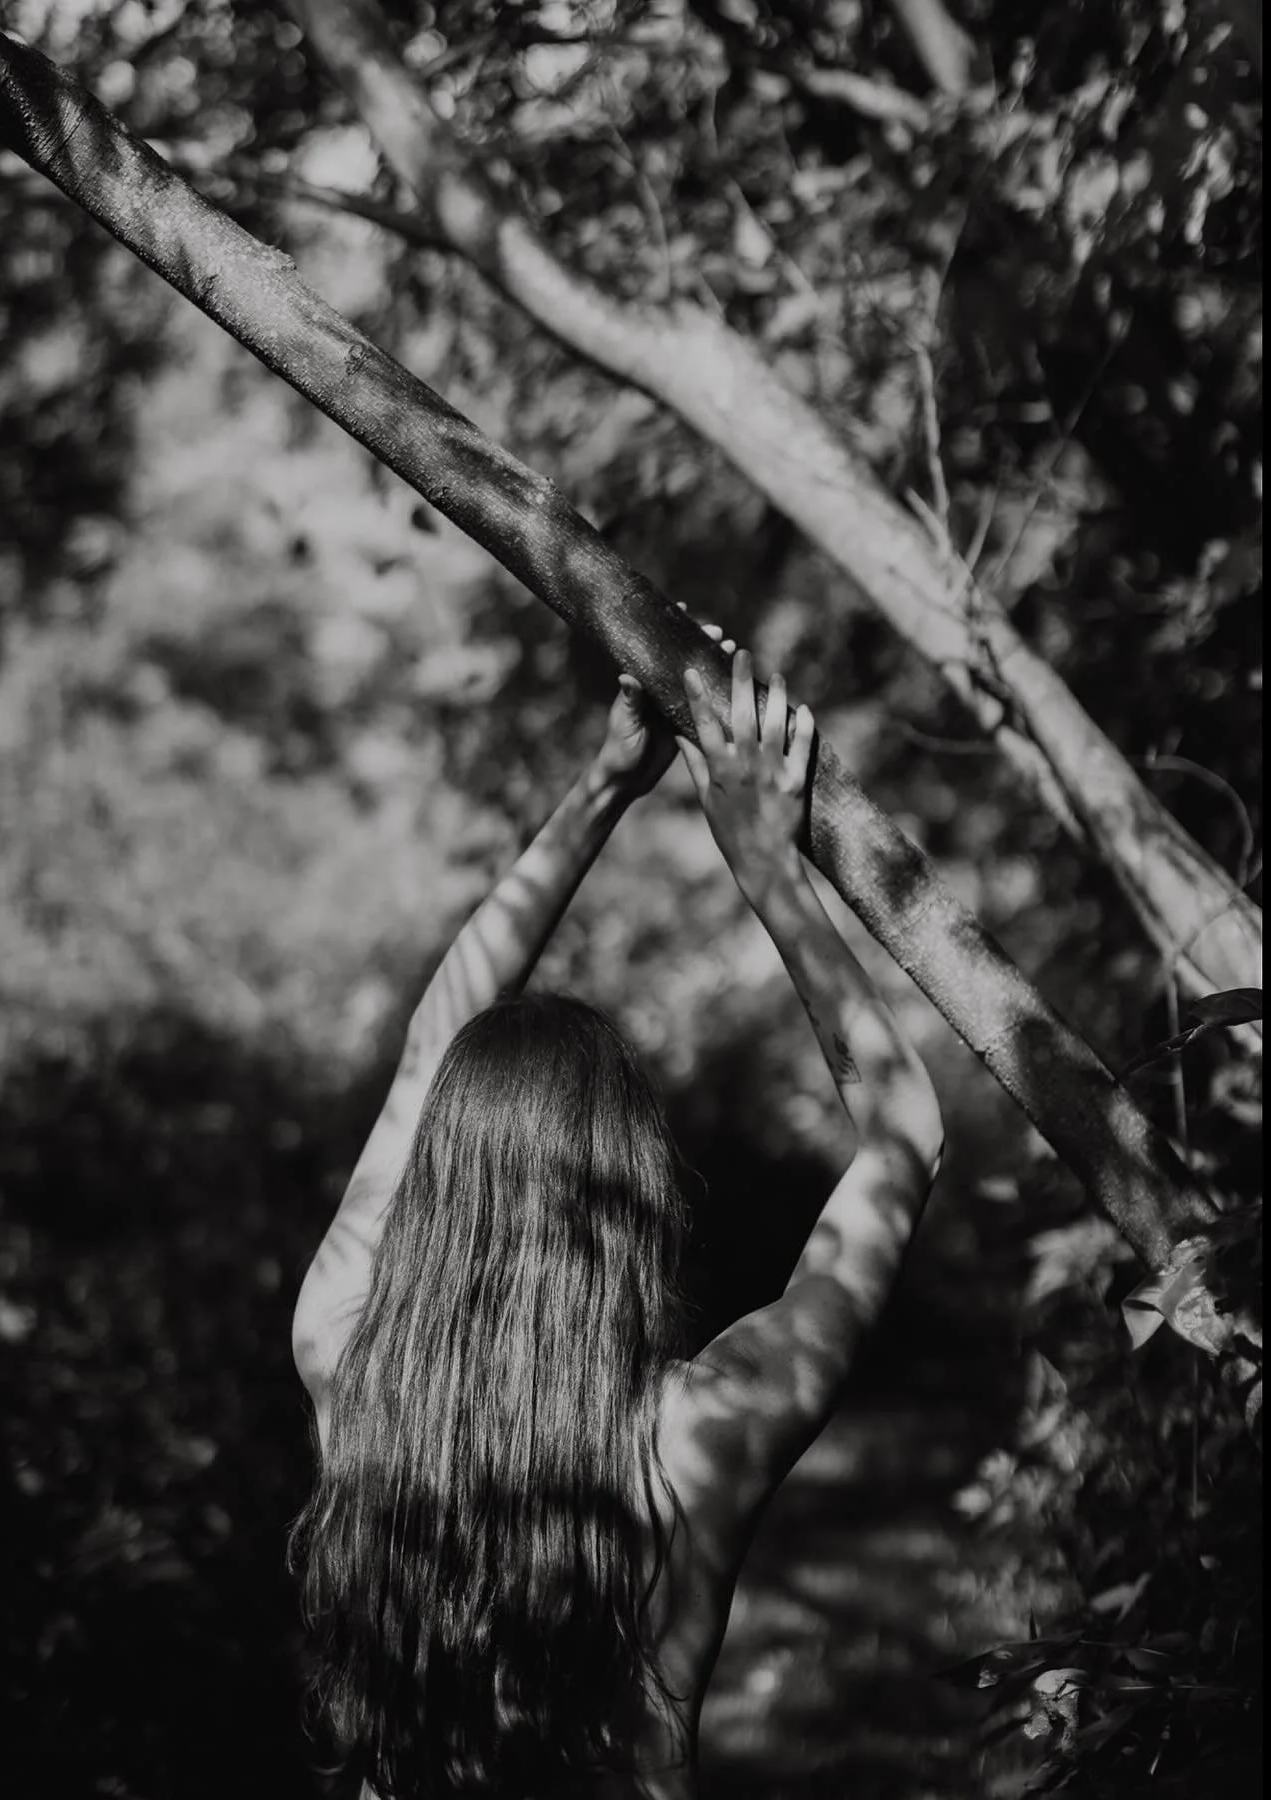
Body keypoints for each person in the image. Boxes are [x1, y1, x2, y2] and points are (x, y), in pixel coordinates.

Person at [289, 642, 944, 1799]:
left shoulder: (346, 1363)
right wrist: (767, 866)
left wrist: (602, 789)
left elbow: (425, 1052)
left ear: (439, 1184)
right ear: (631, 1204)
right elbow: (904, 1134)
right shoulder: (700, 1437)